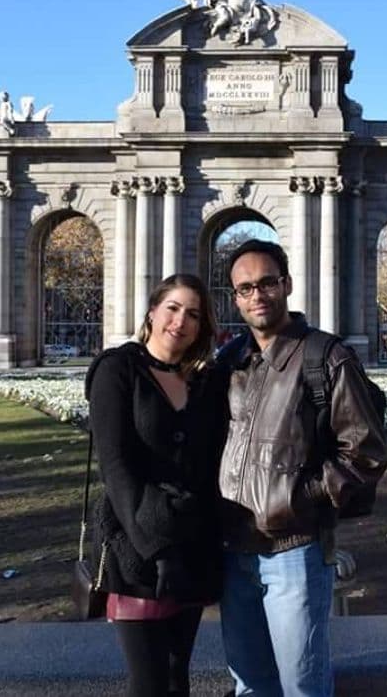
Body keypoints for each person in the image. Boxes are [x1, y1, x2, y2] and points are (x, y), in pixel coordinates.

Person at [215, 239, 387, 697]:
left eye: (267, 283)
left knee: (302, 688)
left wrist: (301, 497)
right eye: (245, 287)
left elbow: (365, 453)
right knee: (249, 686)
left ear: (287, 284)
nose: (257, 295)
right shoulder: (229, 361)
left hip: (293, 550)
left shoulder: (326, 357)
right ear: (235, 297)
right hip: (234, 551)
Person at [85, 273, 227, 697]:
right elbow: (116, 467)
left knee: (176, 674)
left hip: (193, 548)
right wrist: (158, 550)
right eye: (173, 308)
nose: (180, 321)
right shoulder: (117, 370)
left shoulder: (204, 380)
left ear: (202, 327)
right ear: (152, 312)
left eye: (193, 314)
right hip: (137, 547)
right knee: (148, 683)